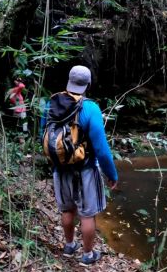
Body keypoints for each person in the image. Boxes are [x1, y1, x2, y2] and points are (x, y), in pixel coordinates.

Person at [50, 65, 118, 266]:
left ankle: (70, 246)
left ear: (69, 80)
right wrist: (111, 174)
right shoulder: (90, 108)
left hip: (60, 168)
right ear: (88, 84)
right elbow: (102, 149)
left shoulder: (52, 102)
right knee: (87, 214)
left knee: (67, 210)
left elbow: (44, 138)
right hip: (85, 169)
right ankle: (87, 255)